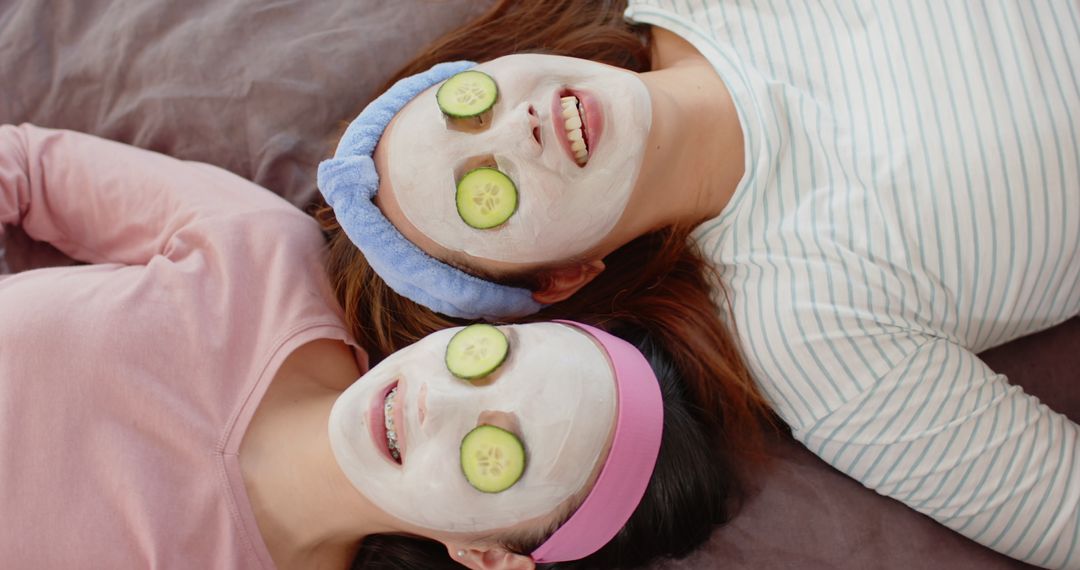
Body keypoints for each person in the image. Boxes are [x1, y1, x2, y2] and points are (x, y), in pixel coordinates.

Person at [314, 1, 1080, 568]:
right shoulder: (807, 334)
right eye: (484, 195)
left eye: (469, 107)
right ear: (562, 280)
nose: (520, 128)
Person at [0, 124, 740, 569]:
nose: (437, 402)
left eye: (498, 455)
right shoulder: (267, 256)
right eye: (493, 361)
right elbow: (26, 166)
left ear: (488, 554)